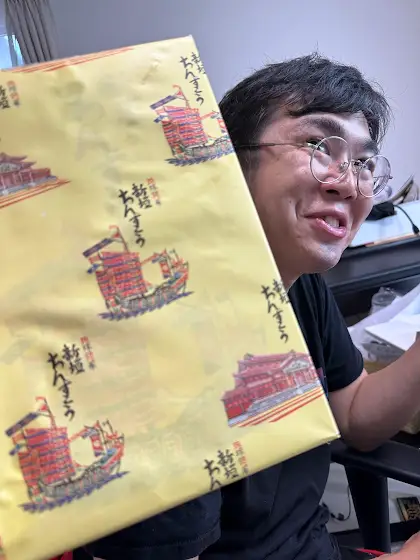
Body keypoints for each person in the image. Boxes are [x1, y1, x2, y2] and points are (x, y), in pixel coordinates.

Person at [85, 54, 420, 560]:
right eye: (318, 145)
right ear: (229, 164)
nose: (348, 183)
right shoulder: (166, 341)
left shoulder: (298, 282)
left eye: (364, 164)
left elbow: (354, 416)